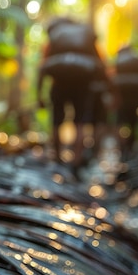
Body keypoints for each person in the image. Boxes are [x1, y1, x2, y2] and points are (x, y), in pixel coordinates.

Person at [36, 18, 110, 172]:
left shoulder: (56, 35)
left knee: (57, 120)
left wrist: (39, 95)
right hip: (83, 80)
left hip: (59, 80)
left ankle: (57, 157)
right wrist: (108, 89)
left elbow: (43, 64)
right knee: (80, 122)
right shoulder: (85, 33)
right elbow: (101, 61)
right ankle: (76, 160)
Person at [112, 46, 138, 160]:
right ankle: (130, 146)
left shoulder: (118, 59)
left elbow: (111, 75)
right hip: (136, 94)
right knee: (134, 121)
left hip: (121, 94)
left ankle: (121, 146)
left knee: (119, 120)